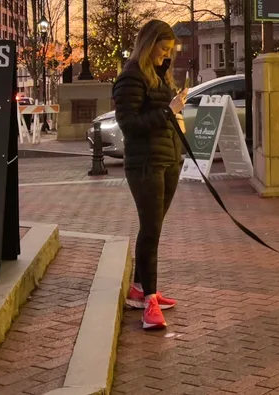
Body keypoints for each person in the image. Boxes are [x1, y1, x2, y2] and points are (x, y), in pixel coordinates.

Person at [113, 19, 188, 330]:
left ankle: (139, 289)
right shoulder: (131, 77)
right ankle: (150, 301)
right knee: (150, 230)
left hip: (168, 159)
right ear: (149, 44)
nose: (166, 55)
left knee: (154, 226)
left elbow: (162, 116)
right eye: (163, 49)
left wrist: (175, 112)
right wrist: (169, 110)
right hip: (146, 164)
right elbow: (128, 124)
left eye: (170, 50)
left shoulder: (159, 75)